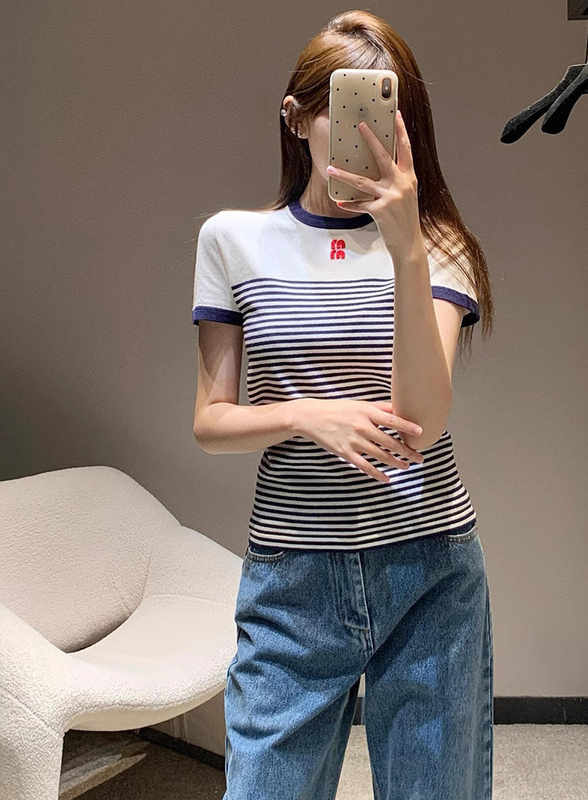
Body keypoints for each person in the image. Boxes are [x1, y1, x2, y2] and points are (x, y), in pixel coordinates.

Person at [192, 9, 494, 799]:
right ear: (295, 118)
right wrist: (305, 415)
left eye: (387, 113)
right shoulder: (231, 241)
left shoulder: (438, 246)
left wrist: (405, 248)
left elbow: (423, 421)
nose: (368, 134)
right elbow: (211, 421)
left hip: (428, 568)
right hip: (293, 580)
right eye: (344, 108)